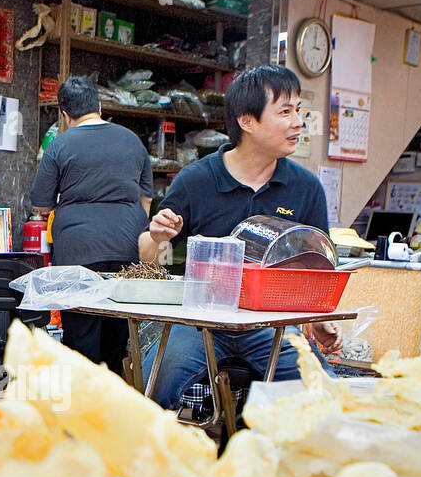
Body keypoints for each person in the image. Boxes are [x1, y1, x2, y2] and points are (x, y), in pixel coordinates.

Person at [137, 65, 341, 407]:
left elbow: (317, 271)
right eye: (285, 111)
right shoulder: (196, 180)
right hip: (199, 323)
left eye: (298, 110)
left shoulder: (306, 189)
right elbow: (148, 258)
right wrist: (158, 237)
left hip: (271, 328)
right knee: (152, 389)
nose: (298, 122)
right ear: (247, 121)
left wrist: (318, 321)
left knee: (323, 396)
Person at [30, 76, 153, 375]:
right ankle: (111, 406)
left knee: (81, 341)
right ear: (99, 106)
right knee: (116, 338)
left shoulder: (60, 145)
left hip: (78, 251)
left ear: (64, 114)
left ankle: (82, 412)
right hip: (128, 248)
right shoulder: (132, 140)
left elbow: (41, 205)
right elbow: (146, 201)